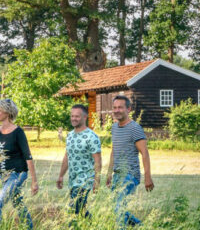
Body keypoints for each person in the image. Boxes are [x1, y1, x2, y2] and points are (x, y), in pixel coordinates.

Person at [105, 95, 154, 228]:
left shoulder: (135, 128)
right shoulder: (114, 128)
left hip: (130, 175)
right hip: (117, 174)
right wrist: (109, 173)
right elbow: (114, 151)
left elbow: (144, 153)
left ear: (129, 109)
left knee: (119, 207)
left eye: (120, 107)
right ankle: (140, 226)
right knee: (115, 207)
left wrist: (147, 177)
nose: (117, 110)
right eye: (115, 107)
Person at [0, 99, 38, 230]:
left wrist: (34, 181)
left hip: (18, 174)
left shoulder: (18, 132)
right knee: (17, 203)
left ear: (7, 113)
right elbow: (0, 155)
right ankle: (29, 227)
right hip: (4, 175)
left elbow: (28, 157)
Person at [56, 104, 102, 221]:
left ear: (85, 117)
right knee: (80, 210)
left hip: (85, 180)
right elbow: (67, 156)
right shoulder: (70, 135)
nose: (73, 118)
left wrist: (96, 181)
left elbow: (98, 160)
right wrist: (61, 176)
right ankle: (93, 224)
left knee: (73, 209)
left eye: (77, 116)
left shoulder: (91, 137)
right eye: (72, 116)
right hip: (73, 180)